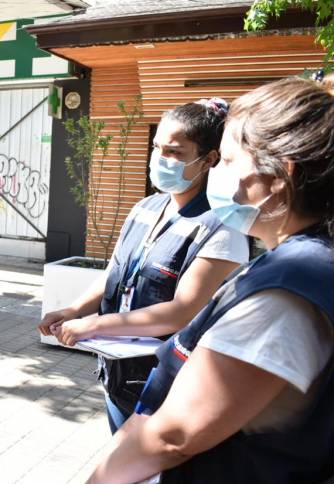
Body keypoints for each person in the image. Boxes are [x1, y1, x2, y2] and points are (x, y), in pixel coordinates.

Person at [80, 77, 334, 484]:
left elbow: (175, 435)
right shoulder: (303, 264)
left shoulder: (288, 290)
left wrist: (95, 483)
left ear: (279, 176)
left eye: (229, 160)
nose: (217, 174)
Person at [39, 99, 249, 432]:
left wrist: (94, 325)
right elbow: (115, 273)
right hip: (119, 379)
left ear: (208, 159)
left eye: (175, 152)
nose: (160, 159)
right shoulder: (146, 208)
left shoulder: (221, 226)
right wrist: (75, 310)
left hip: (168, 390)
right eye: (157, 147)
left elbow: (181, 312)